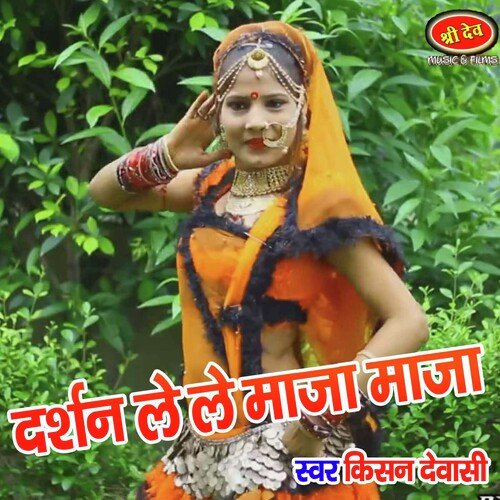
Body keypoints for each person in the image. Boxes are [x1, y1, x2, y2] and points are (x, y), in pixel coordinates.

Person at [89, 21, 428, 500]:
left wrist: (320, 417)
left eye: (274, 103)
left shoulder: (318, 209)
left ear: (304, 111)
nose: (254, 122)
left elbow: (410, 322)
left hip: (285, 441)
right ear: (217, 114)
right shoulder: (211, 187)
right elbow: (105, 193)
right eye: (238, 105)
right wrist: (170, 152)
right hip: (203, 441)